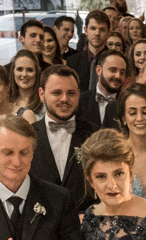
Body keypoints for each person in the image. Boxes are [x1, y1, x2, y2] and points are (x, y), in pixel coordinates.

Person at [30, 65, 99, 214]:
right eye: (57, 93)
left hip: (85, 227)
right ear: (41, 94)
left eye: (71, 93)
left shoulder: (96, 135)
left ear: (79, 94)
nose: (64, 99)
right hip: (38, 228)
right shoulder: (26, 136)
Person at [77, 48, 125, 128]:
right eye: (113, 70)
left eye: (122, 72)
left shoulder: (126, 103)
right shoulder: (80, 101)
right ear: (98, 70)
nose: (118, 76)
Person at [66, 10, 111, 90]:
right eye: (93, 28)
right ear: (86, 30)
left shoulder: (116, 60)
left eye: (102, 30)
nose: (97, 33)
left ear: (108, 33)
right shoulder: (72, 62)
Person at [8, 49, 43, 118]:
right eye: (19, 69)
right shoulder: (7, 101)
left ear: (37, 73)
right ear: (13, 72)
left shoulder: (44, 102)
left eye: (30, 70)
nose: (24, 74)